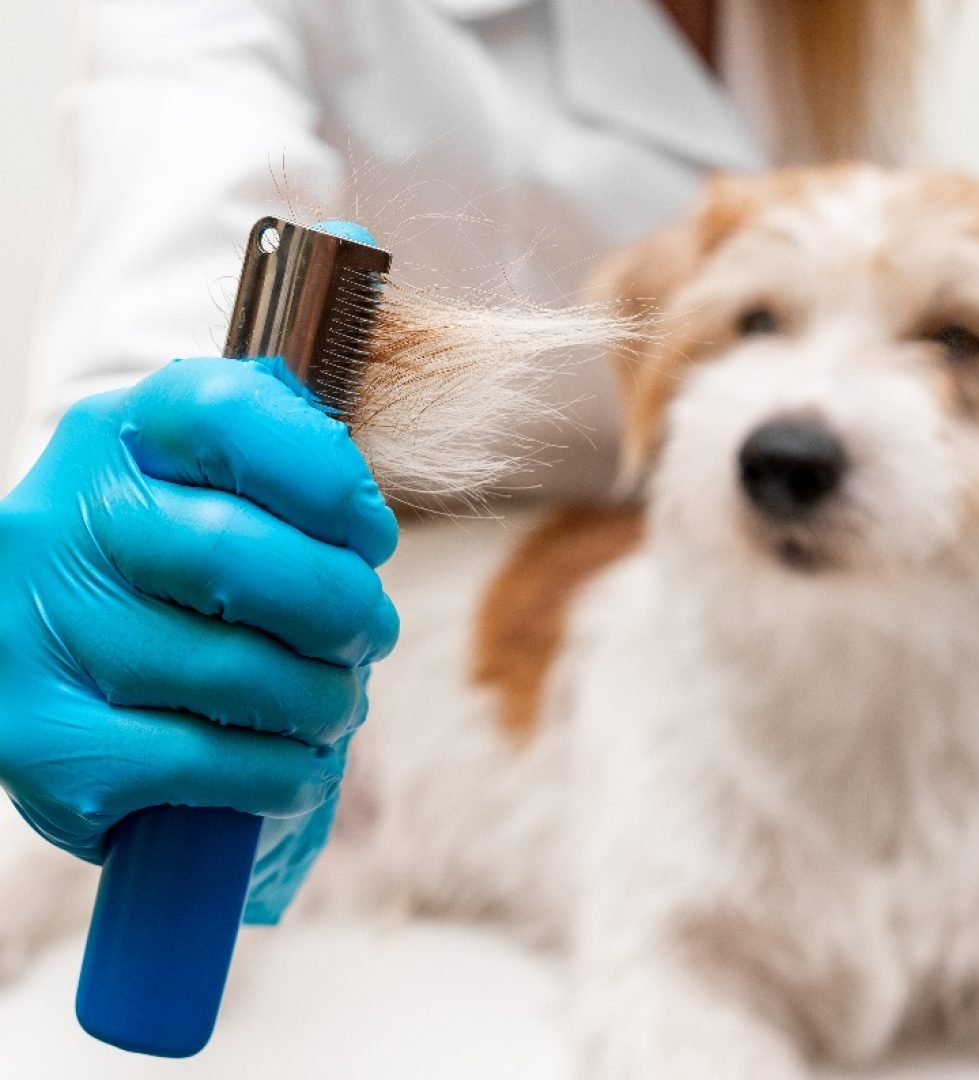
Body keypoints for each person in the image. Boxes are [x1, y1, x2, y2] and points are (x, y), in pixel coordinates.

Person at [1, 0, 922, 922]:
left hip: (698, 692)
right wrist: (127, 517)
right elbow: (166, 273)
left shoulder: (841, 30)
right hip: (358, 667)